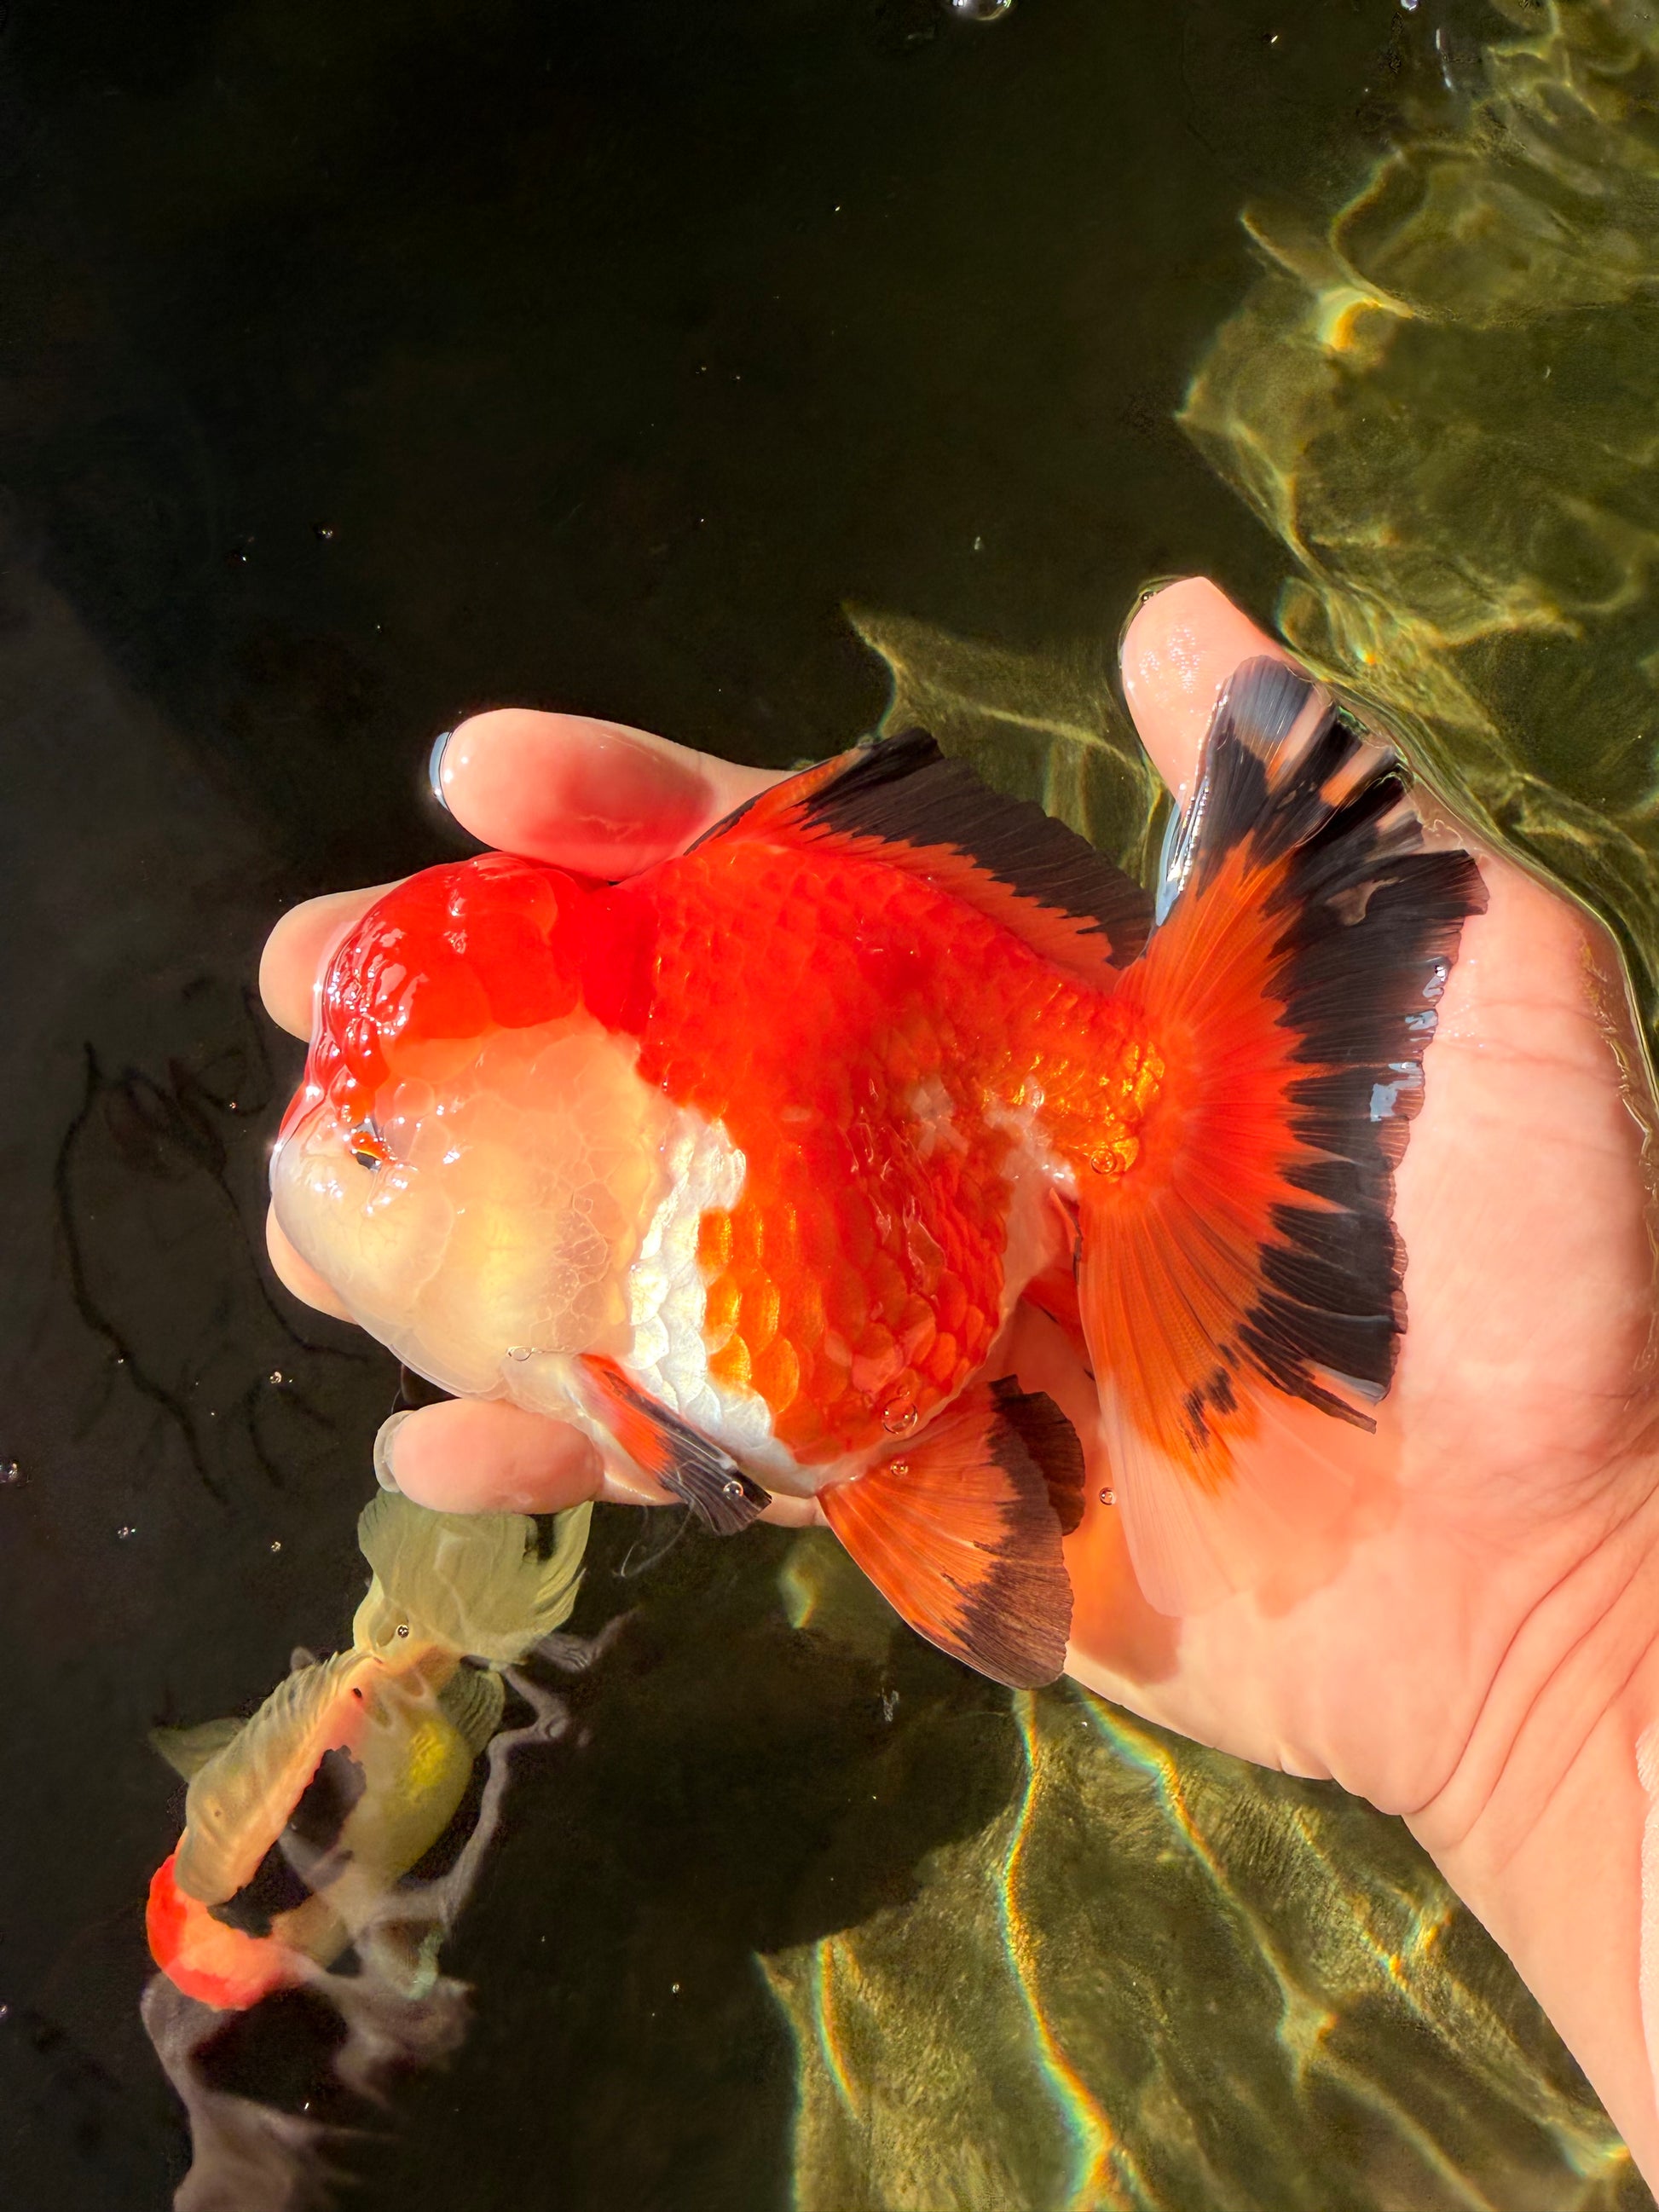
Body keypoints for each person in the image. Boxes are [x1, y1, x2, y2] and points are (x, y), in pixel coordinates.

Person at [258, 576, 1659, 2180]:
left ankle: (1212, 1065)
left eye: (369, 1151)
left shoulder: (623, 1281)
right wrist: (1578, 1644)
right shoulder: (582, 1323)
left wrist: (1577, 1609)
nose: (319, 1163)